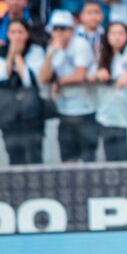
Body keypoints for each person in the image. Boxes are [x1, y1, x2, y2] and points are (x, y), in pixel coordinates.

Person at [40, 9, 99, 163]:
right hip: (64, 111)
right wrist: (50, 54)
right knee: (67, 159)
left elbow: (80, 75)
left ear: (71, 30)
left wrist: (58, 82)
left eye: (63, 28)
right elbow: (43, 78)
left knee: (88, 159)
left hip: (85, 110)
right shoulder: (52, 49)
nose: (60, 32)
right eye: (56, 28)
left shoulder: (80, 45)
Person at [91, 21, 127, 161]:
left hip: (126, 118)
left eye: (121, 33)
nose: (117, 37)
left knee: (126, 157)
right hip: (106, 116)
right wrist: (98, 74)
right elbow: (88, 75)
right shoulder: (101, 53)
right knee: (111, 159)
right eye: (113, 33)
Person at [0, 18, 45, 164]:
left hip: (32, 110)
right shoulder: (2, 52)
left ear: (27, 34)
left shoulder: (35, 51)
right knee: (13, 150)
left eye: (20, 32)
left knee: (34, 149)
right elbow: (4, 76)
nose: (16, 36)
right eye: (13, 32)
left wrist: (18, 56)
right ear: (7, 34)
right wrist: (10, 54)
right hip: (9, 111)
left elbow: (29, 79)